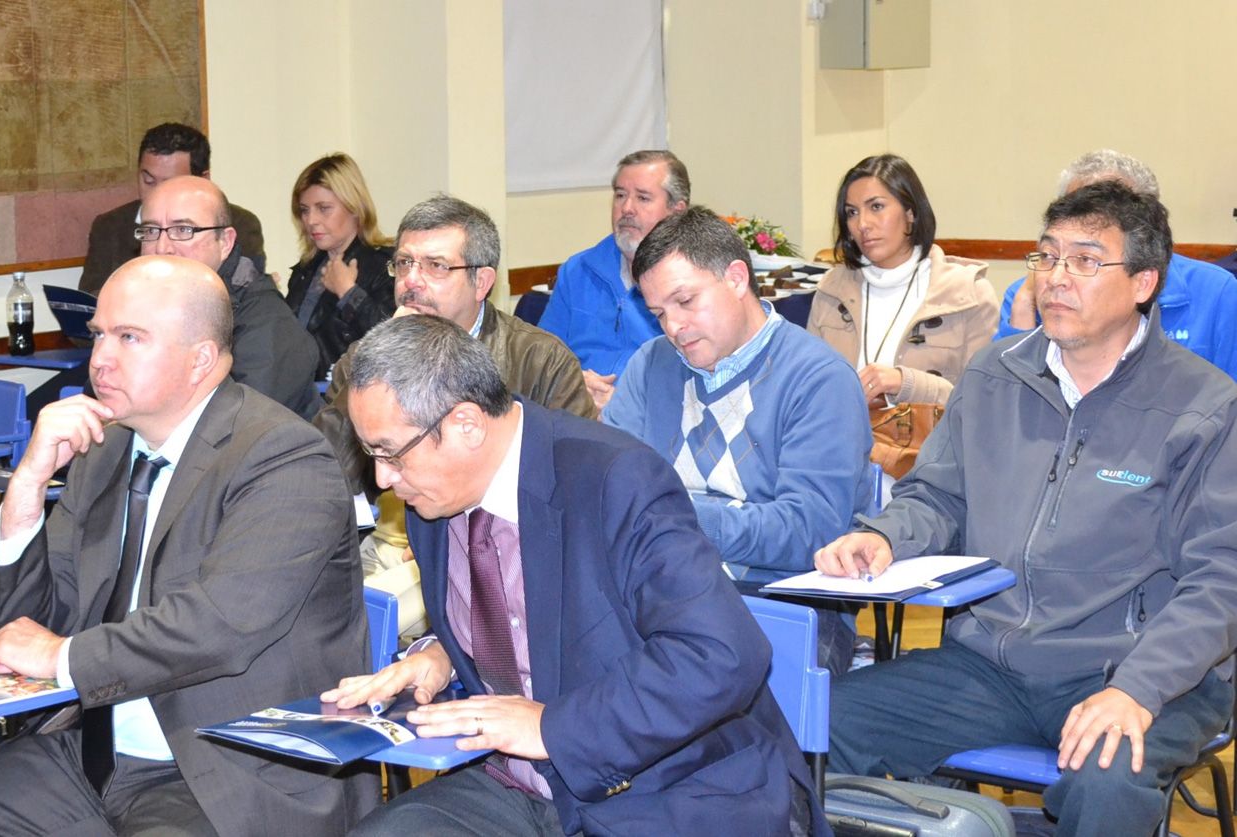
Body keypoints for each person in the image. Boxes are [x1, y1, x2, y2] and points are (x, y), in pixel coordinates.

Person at [817, 182, 1237, 836]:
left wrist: (1136, 687)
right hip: (993, 663)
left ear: (1143, 282)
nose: (1056, 278)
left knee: (1108, 779)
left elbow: (1221, 580)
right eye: (1047, 256)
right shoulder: (995, 375)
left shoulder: (1203, 406)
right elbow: (937, 494)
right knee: (823, 724)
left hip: (1138, 668)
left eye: (1085, 260)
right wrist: (886, 536)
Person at [322, 314, 828, 837]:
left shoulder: (615, 479)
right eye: (371, 453)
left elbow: (721, 654)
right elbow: (525, 617)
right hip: (524, 783)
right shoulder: (431, 499)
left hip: (670, 783)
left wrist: (550, 728)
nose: (382, 477)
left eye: (390, 453)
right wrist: (441, 655)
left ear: (466, 425)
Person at [0, 256, 376, 835]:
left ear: (200, 359)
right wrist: (27, 486)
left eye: (130, 338)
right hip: (92, 756)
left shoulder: (284, 457)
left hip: (222, 771)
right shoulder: (104, 449)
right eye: (100, 335)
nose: (101, 359)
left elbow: (217, 628)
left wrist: (60, 658)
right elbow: (22, 625)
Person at [603, 206, 873, 675]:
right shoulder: (650, 365)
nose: (673, 327)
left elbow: (810, 530)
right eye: (659, 313)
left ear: (735, 278)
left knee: (680, 694)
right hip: (655, 596)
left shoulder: (818, 379)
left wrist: (675, 517)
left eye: (685, 301)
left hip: (780, 603)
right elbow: (607, 491)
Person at [313, 195, 595, 591]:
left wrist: (454, 540)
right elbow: (322, 475)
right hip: (386, 542)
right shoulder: (364, 356)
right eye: (404, 263)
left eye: (436, 266)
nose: (412, 281)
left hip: (498, 551)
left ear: (482, 282)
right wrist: (373, 373)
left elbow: (575, 490)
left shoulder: (541, 360)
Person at [998, 149, 1237, 380]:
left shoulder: (1216, 290)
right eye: (1075, 210)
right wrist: (1024, 305)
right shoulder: (1027, 294)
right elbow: (1000, 388)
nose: (1086, 225)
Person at [808, 153, 998, 408]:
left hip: (931, 434)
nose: (862, 224)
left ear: (910, 213)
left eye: (876, 207)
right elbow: (807, 389)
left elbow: (984, 402)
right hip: (842, 431)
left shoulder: (969, 293)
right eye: (852, 212)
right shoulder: (831, 290)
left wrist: (905, 383)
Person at [139, 175, 321, 418]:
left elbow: (241, 426)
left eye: (183, 230)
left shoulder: (266, 323)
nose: (162, 248)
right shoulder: (140, 307)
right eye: (151, 230)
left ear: (225, 242)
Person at [538, 149, 689, 408]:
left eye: (643, 198)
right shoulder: (578, 270)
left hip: (654, 417)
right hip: (578, 411)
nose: (626, 208)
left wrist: (623, 405)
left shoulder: (693, 282)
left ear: (677, 212)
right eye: (620, 195)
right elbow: (542, 360)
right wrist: (572, 384)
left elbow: (703, 377)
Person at [80, 122, 264, 294]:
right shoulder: (109, 226)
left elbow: (243, 294)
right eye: (148, 181)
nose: (157, 193)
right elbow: (92, 301)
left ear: (203, 179)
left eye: (171, 184)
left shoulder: (241, 224)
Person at [286, 152, 396, 380]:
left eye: (324, 208)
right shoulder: (304, 271)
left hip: (353, 394)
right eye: (304, 210)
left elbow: (397, 343)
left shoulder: (385, 266)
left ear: (354, 207)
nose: (311, 220)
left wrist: (349, 293)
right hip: (305, 396)